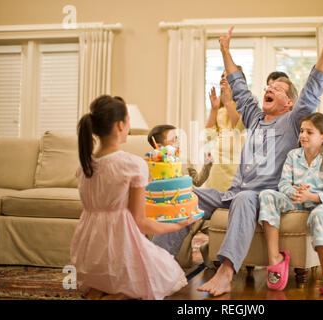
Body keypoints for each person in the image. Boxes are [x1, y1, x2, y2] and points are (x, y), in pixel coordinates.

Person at [153, 17, 323, 297]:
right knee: (184, 195)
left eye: (278, 90)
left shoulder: (293, 122)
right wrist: (225, 51)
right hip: (232, 192)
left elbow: (313, 86)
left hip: (259, 195)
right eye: (269, 87)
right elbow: (239, 87)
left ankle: (226, 271)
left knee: (245, 198)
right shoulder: (255, 119)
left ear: (290, 102)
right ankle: (157, 264)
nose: (269, 89)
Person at [70, 95, 200, 300]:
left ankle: (101, 289)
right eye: (128, 121)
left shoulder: (84, 166)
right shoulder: (132, 165)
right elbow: (141, 222)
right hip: (121, 243)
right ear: (121, 125)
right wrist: (177, 225)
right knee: (167, 275)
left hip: (89, 246)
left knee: (106, 279)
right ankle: (118, 294)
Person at [259, 112, 323, 298]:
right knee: (267, 195)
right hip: (298, 199)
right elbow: (283, 184)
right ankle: (275, 259)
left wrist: (310, 196)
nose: (302, 135)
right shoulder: (293, 156)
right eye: (302, 131)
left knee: (319, 215)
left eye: (309, 132)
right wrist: (296, 193)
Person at [205, 67, 247, 192]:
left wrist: (228, 102)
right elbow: (208, 135)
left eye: (228, 76)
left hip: (235, 168)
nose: (223, 78)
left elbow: (239, 127)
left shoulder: (246, 104)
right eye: (222, 75)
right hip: (217, 169)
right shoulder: (221, 109)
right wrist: (214, 109)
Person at [147, 124, 213, 187]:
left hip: (187, 196)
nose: (177, 141)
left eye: (177, 138)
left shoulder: (185, 161)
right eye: (172, 139)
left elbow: (198, 182)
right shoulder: (152, 166)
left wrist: (207, 163)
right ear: (159, 146)